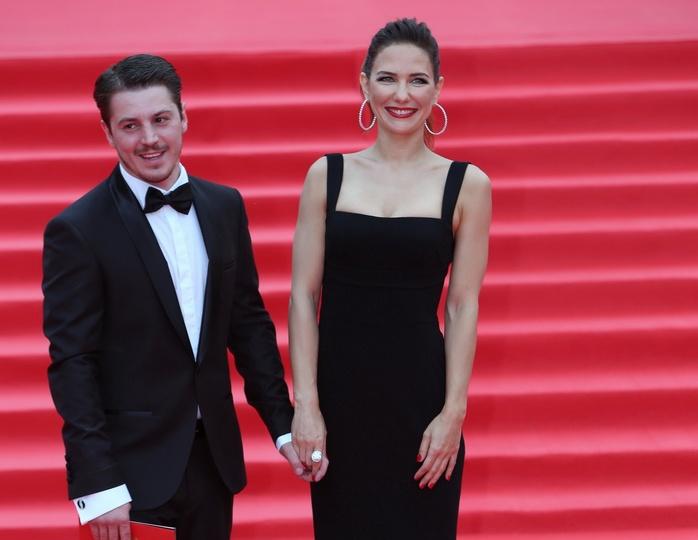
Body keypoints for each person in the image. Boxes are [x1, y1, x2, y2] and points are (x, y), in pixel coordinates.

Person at [42, 54, 305, 540]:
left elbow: (247, 324)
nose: (149, 138)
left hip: (213, 462)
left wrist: (283, 425)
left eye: (161, 119)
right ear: (108, 133)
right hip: (129, 474)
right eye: (130, 125)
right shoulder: (78, 230)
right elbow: (73, 362)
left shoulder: (224, 206)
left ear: (184, 117)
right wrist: (99, 484)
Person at [288, 18, 491, 539]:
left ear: (438, 89)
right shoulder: (326, 176)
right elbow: (303, 296)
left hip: (420, 403)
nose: (402, 95)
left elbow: (462, 305)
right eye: (387, 78)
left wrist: (453, 413)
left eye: (417, 80)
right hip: (340, 403)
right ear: (364, 84)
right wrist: (306, 405)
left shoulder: (467, 185)